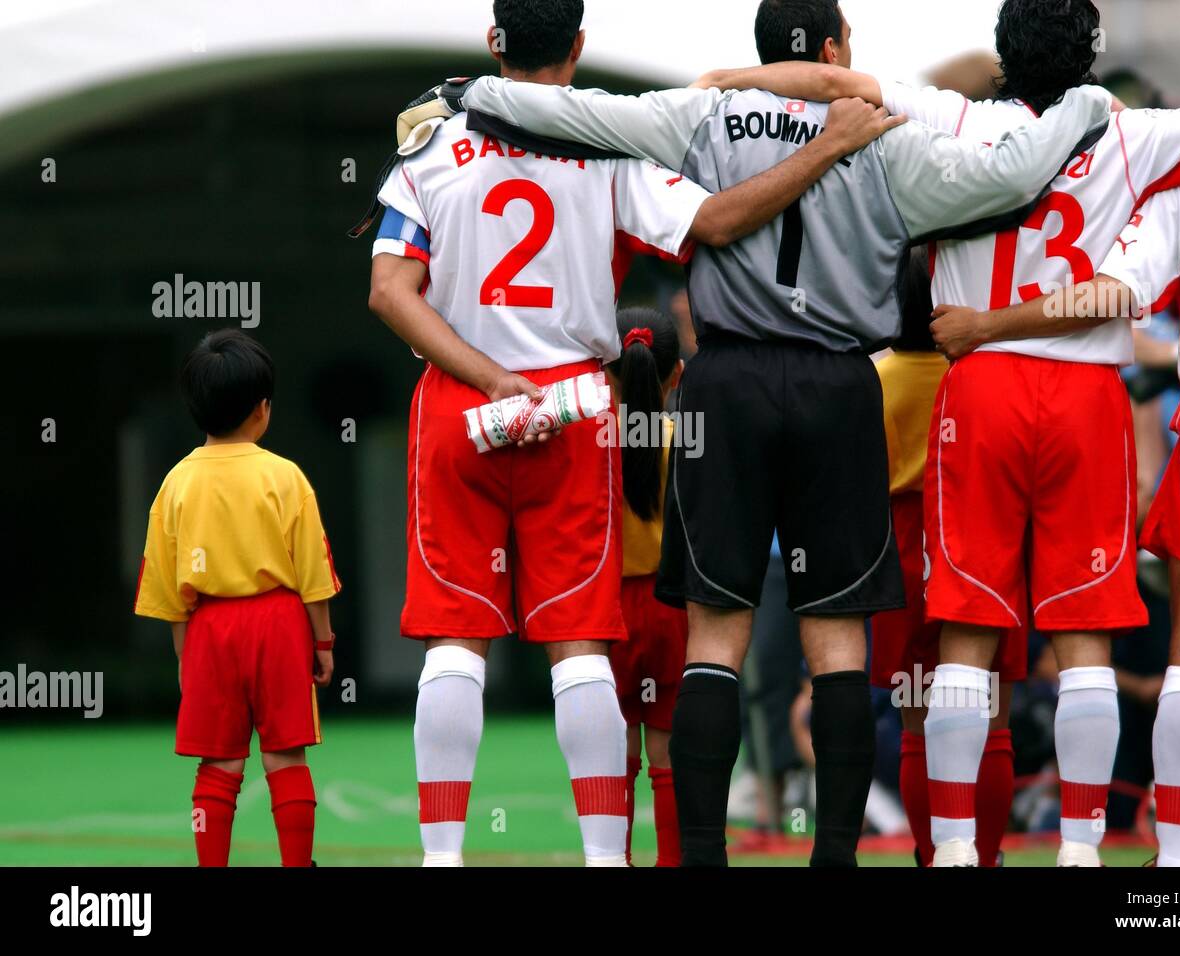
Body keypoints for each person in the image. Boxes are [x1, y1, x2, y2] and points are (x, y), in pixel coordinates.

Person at [432, 0, 1114, 867]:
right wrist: (1086, 105)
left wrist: (469, 93)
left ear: (763, 52)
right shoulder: (886, 130)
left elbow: (571, 112)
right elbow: (1009, 182)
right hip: (837, 382)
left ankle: (705, 858)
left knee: (717, 633)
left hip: (727, 382)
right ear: (831, 52)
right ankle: (834, 858)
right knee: (836, 638)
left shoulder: (704, 111)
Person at [699, 0, 1180, 867]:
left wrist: (731, 80)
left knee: (966, 632)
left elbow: (834, 81)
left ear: (1000, 53)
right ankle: (1088, 850)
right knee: (1087, 634)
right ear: (1090, 51)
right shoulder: (1137, 132)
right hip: (1088, 392)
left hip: (981, 386)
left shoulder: (955, 116)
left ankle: (948, 851)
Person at [363, 0, 895, 868]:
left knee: (455, 641)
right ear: (577, 46)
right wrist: (825, 147)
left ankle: (442, 858)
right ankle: (607, 859)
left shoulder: (432, 144)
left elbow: (390, 291)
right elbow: (716, 222)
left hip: (460, 408)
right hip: (574, 410)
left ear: (494, 43)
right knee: (579, 647)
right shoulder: (608, 145)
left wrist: (487, 376)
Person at [928, 25, 1180, 867]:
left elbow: (1113, 293)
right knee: (1099, 630)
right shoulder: (1151, 144)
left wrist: (987, 324)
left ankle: (1163, 861)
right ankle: (1086, 850)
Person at [133, 329, 342, 867]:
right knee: (285, 755)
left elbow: (165, 583)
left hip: (207, 629)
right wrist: (323, 641)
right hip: (277, 624)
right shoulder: (286, 477)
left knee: (218, 763)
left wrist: (185, 656)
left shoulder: (175, 484)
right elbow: (312, 571)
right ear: (263, 409)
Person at [870, 249, 1026, 867]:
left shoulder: (875, 380)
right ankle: (985, 858)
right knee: (991, 720)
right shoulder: (978, 372)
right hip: (980, 538)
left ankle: (932, 856)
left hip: (901, 551)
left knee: (915, 726)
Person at [605, 307, 687, 867]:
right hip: (672, 607)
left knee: (611, 756)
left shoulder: (586, 445)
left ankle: (612, 859)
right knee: (668, 757)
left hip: (603, 612)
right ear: (676, 374)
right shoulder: (686, 439)